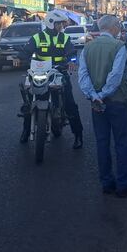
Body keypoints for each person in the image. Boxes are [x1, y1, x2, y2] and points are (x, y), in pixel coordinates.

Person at [78, 15, 127, 198]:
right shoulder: (119, 46)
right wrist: (102, 94)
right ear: (113, 27)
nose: (120, 28)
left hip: (97, 104)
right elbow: (116, 77)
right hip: (117, 101)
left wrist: (94, 96)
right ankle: (123, 185)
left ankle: (106, 183)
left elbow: (83, 76)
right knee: (122, 142)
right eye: (119, 25)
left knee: (102, 143)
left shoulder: (88, 47)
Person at [15, 10, 84, 149]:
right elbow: (26, 50)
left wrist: (71, 61)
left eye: (62, 24)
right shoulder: (38, 37)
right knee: (28, 101)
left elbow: (71, 52)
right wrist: (18, 57)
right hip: (39, 72)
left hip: (59, 72)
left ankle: (78, 135)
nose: (61, 27)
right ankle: (26, 130)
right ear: (51, 23)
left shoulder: (64, 38)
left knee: (70, 103)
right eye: (59, 24)